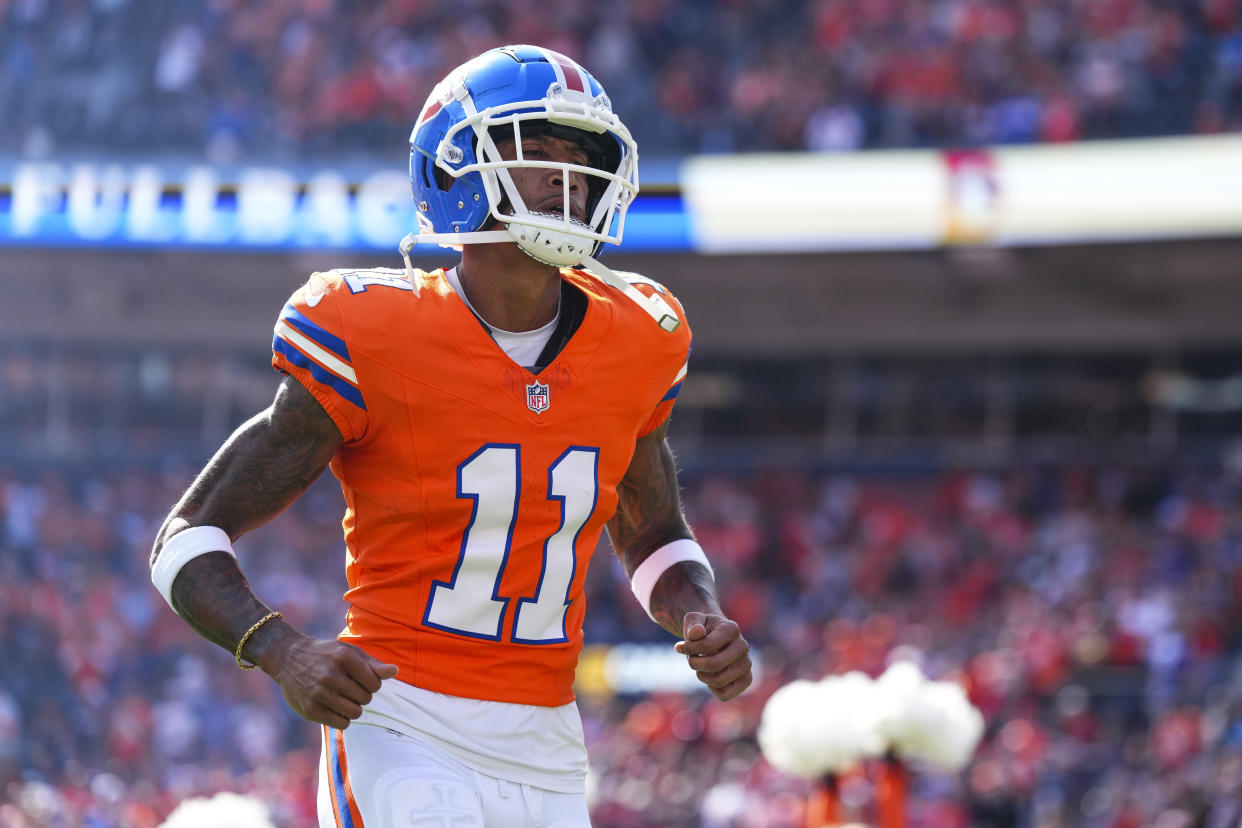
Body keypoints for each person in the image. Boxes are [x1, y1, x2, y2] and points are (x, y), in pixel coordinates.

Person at [149, 44, 752, 828]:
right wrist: (279, 648)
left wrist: (698, 612)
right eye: (540, 149)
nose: (570, 177)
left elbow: (652, 529)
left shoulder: (639, 335)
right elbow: (186, 536)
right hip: (404, 718)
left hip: (549, 737)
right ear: (459, 167)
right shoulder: (371, 331)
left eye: (582, 156)